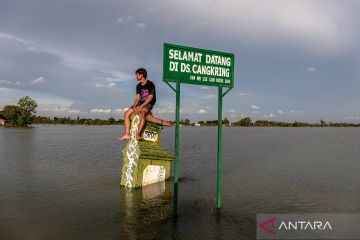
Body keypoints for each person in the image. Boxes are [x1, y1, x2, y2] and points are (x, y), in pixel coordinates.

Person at [118, 68, 173, 141]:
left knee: (143, 113)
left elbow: (150, 98)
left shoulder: (150, 84)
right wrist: (134, 107)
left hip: (149, 103)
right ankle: (127, 134)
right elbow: (137, 98)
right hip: (141, 102)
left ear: (141, 75)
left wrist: (141, 107)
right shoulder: (138, 86)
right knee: (126, 114)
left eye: (137, 75)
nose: (136, 77)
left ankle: (138, 135)